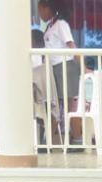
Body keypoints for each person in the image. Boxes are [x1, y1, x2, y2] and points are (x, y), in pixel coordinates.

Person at [38, 0, 82, 147]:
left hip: (65, 67)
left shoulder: (61, 24)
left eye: (40, 9)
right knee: (55, 105)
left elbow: (71, 46)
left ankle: (77, 139)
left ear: (47, 8)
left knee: (69, 105)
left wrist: (83, 66)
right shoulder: (50, 26)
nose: (39, 13)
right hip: (53, 69)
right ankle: (48, 140)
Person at [31, 28, 60, 146]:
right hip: (46, 96)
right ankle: (44, 139)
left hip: (35, 96)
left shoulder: (34, 55)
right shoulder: (44, 57)